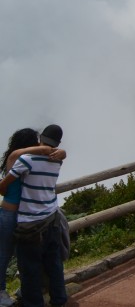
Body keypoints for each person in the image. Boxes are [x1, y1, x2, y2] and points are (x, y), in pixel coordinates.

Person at [0, 125, 67, 307]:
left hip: (25, 217)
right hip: (14, 214)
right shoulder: (18, 157)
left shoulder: (28, 160)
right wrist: (51, 150)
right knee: (6, 255)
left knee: (26, 259)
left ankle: (28, 293)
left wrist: (58, 152)